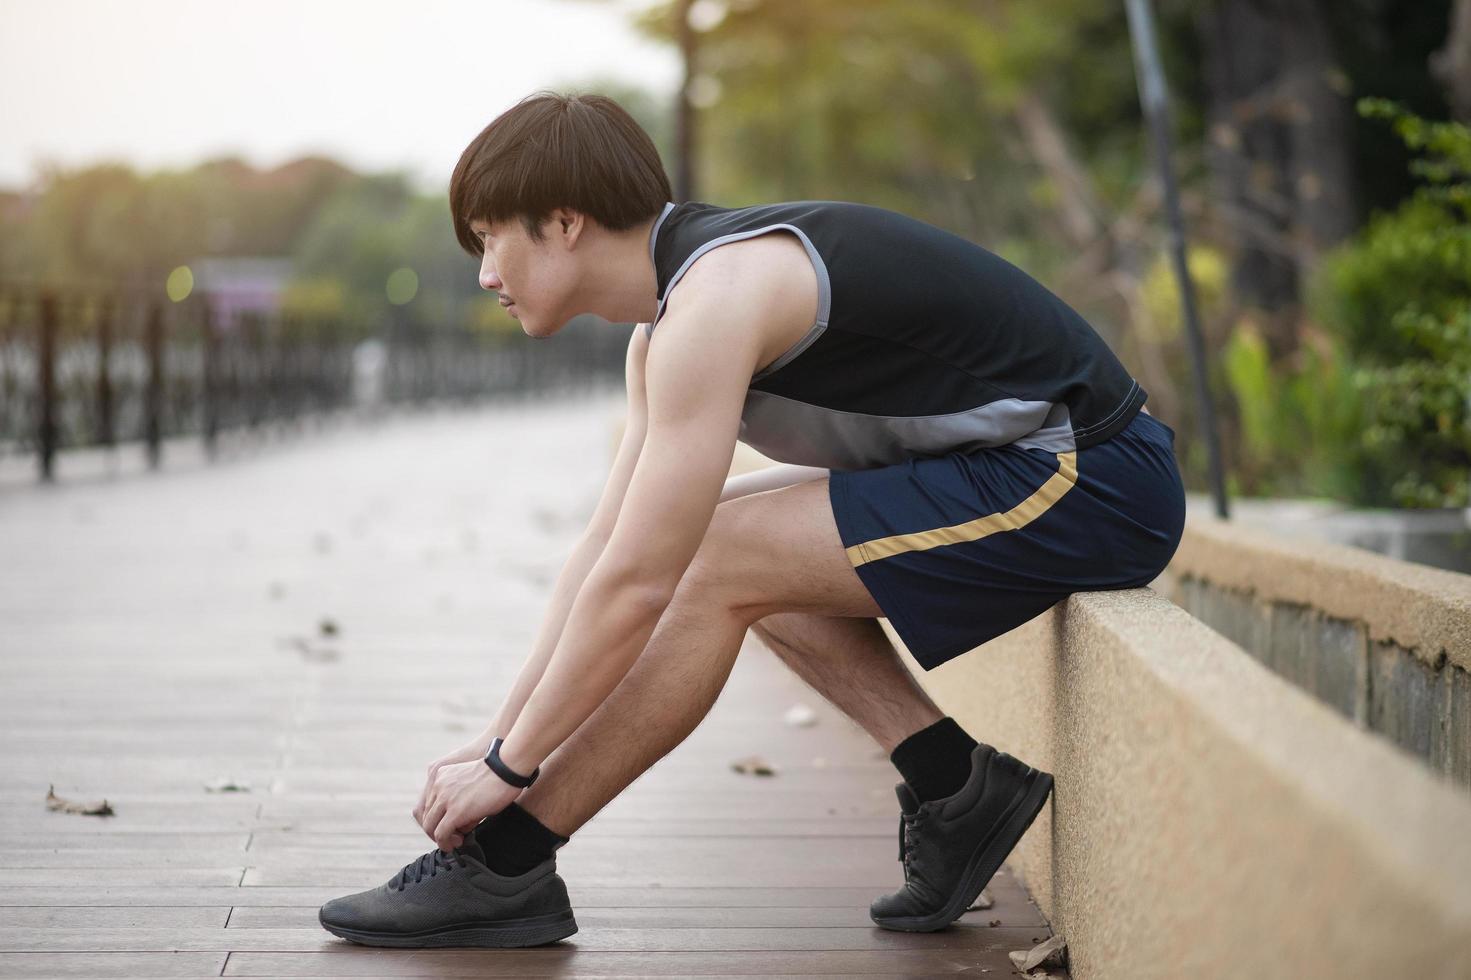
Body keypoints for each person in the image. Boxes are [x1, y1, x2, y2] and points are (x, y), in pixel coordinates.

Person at [318, 90, 1187, 948]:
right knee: (718, 529)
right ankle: (955, 785)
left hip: (1096, 477)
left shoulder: (718, 297)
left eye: (490, 239)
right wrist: (499, 736)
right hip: (1016, 470)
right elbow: (608, 551)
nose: (485, 273)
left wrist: (510, 772)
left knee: (719, 553)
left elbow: (641, 584)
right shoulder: (666, 328)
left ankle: (505, 864)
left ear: (563, 219)